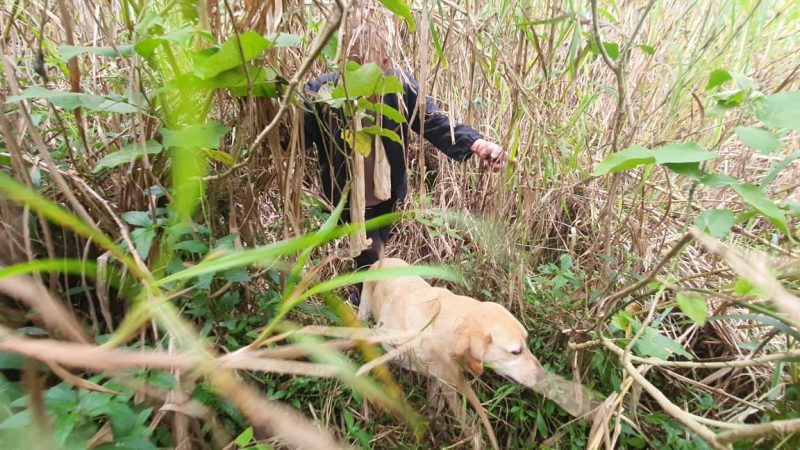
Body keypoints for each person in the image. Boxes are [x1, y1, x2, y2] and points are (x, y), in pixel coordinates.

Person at [302, 10, 510, 303]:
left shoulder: (399, 86)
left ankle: (361, 300)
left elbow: (433, 121)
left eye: (370, 61)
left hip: (384, 192)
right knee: (364, 252)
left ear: (386, 59)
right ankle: (363, 301)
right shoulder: (323, 92)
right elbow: (295, 137)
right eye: (354, 61)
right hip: (343, 192)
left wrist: (477, 143)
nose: (361, 69)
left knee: (371, 253)